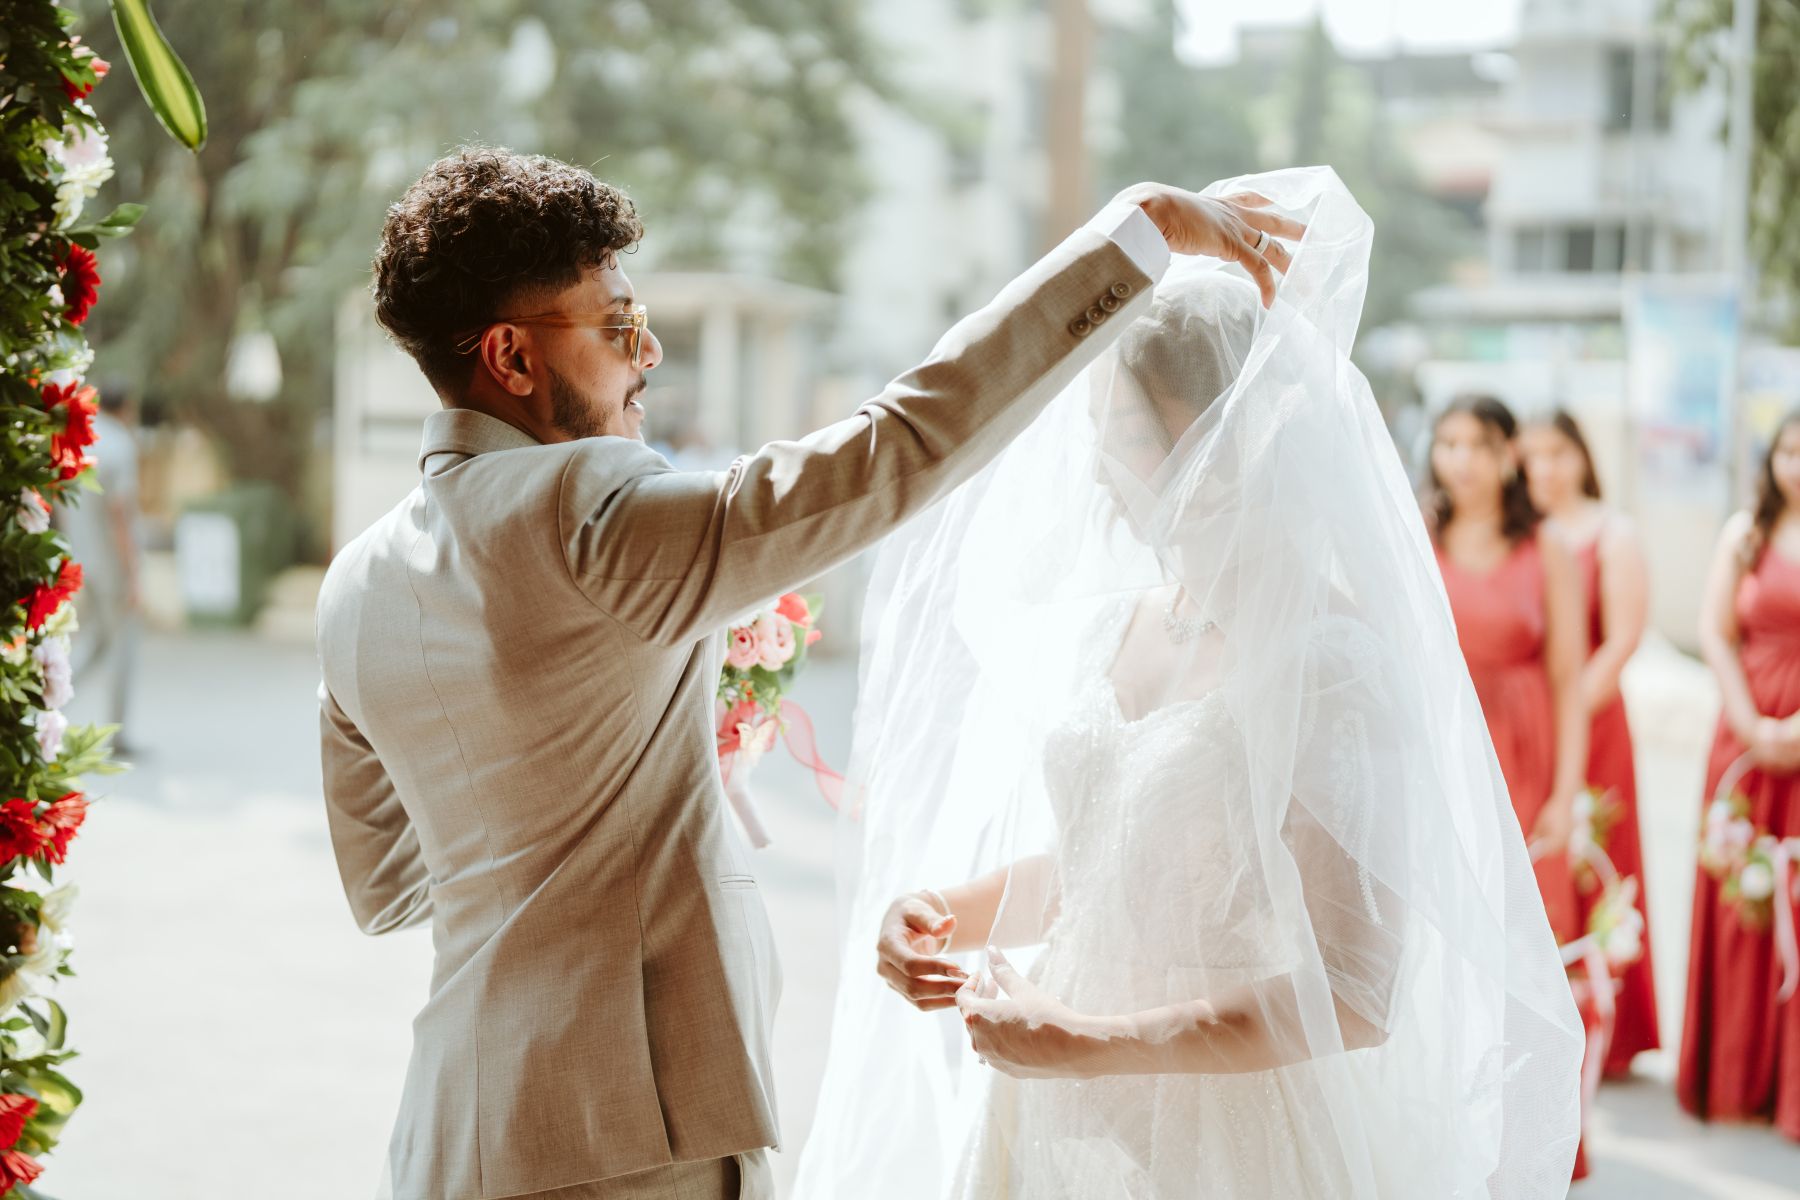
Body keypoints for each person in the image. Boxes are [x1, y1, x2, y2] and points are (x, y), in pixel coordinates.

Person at [316, 145, 1301, 1200]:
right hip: (625, 1145)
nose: (645, 351)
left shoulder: (356, 585)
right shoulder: (588, 513)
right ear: (510, 358)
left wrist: (604, 767)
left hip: (449, 1138)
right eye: (614, 327)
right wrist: (1140, 232)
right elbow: (901, 446)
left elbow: (388, 888)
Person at [801, 169, 1582, 1199]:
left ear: (1220, 442)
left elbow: (1355, 990)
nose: (1094, 474)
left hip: (1224, 1135)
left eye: (1122, 436)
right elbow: (1109, 859)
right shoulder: (1135, 620)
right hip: (1058, 1105)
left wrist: (1087, 1041)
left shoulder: (1327, 661)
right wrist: (944, 909)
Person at [1427, 396, 1592, 1176]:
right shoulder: (1416, 535)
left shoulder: (1546, 547)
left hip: (1523, 763)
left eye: (1478, 445)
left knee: (1526, 956)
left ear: (1506, 458)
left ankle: (1535, 1132)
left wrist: (1566, 793)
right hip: (1445, 763)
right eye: (1447, 442)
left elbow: (1569, 677)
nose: (1460, 459)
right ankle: (1448, 1123)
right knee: (1446, 946)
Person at [1520, 409, 1659, 1077]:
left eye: (1557, 453)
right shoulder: (1517, 534)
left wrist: (1564, 721)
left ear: (1581, 456)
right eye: (1531, 455)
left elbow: (1621, 639)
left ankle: (1606, 1023)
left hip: (1593, 729)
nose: (1544, 468)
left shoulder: (1609, 531)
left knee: (1593, 867)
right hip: (1522, 732)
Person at [1679, 409, 1800, 1143]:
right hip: (1745, 733)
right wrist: (1755, 724)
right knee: (1741, 904)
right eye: (1791, 449)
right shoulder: (1744, 534)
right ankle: (1736, 1074)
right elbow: (1714, 631)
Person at [55, 378, 141, 751]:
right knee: (123, 644)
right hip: (110, 565)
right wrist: (134, 573)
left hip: (79, 560)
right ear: (127, 407)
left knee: (95, 640)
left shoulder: (81, 440)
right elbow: (119, 513)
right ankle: (117, 734)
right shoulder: (121, 445)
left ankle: (52, 702)